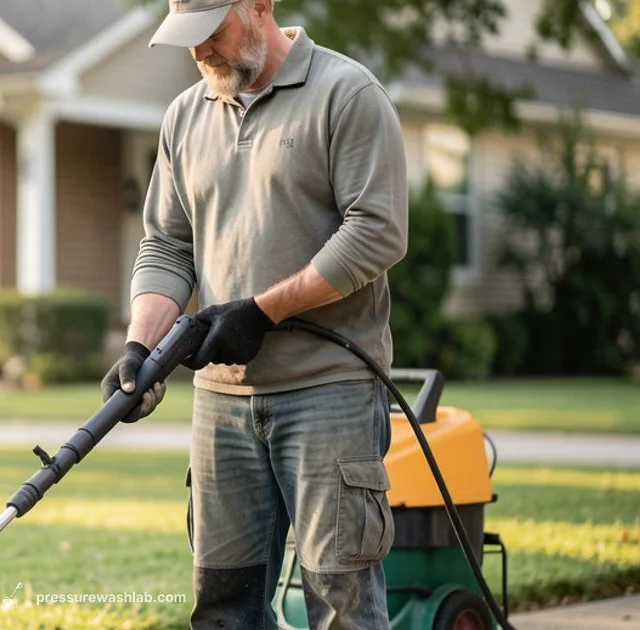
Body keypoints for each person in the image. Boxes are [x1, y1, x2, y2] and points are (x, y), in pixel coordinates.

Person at [100, 0, 409, 628]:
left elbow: (377, 231)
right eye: (186, 38)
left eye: (210, 33)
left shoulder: (346, 94)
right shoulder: (185, 116)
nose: (198, 52)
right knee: (224, 607)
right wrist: (141, 348)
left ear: (260, 7)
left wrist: (263, 311)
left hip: (329, 390)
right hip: (221, 405)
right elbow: (167, 243)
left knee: (341, 603)